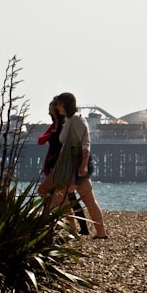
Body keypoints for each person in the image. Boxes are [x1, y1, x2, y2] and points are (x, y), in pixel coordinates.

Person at [49, 92, 108, 239]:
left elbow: (86, 142)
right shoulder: (70, 120)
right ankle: (100, 234)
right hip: (74, 164)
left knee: (58, 197)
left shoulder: (77, 119)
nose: (57, 107)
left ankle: (71, 231)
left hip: (78, 165)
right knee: (89, 201)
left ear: (64, 104)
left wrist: (83, 165)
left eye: (58, 104)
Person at [38, 98, 89, 235]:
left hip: (62, 164)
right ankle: (68, 225)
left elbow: (81, 142)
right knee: (62, 196)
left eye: (50, 107)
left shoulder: (65, 124)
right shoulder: (54, 125)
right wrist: (51, 133)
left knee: (63, 196)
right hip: (53, 161)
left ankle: (75, 226)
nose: (48, 110)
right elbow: (40, 140)